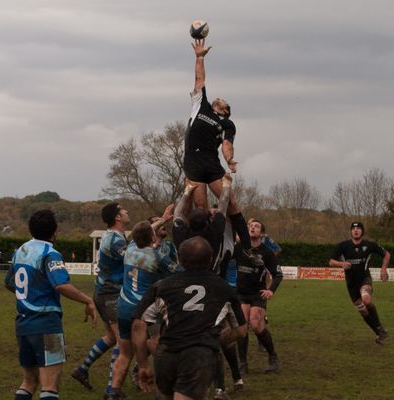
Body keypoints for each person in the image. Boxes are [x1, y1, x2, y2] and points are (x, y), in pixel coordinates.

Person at [132, 236, 248, 400]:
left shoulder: (162, 286)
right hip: (198, 355)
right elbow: (242, 331)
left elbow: (138, 324)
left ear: (179, 259)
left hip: (166, 354)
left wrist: (143, 364)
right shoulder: (224, 289)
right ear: (210, 259)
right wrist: (218, 338)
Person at [4, 209, 97, 400]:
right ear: (55, 231)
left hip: (23, 324)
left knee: (28, 382)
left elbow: (9, 282)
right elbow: (61, 285)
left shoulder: (21, 251)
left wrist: (28, 296)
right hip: (47, 324)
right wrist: (88, 300)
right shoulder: (50, 253)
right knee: (50, 386)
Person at [183, 38, 256, 259]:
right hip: (193, 163)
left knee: (232, 204)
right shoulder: (201, 105)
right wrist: (199, 57)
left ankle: (248, 250)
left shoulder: (226, 123)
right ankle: (205, 254)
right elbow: (199, 78)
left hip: (211, 164)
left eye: (223, 101)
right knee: (201, 210)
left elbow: (226, 145)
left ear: (226, 110)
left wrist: (229, 161)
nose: (219, 98)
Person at [108, 217, 174, 400]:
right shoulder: (157, 256)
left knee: (125, 352)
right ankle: (163, 389)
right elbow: (177, 271)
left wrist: (162, 220)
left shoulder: (129, 249)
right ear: (152, 237)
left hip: (123, 306)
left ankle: (113, 392)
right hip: (144, 310)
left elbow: (140, 234)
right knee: (157, 346)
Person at [71, 202, 130, 394]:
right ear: (117, 218)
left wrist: (160, 221)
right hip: (110, 295)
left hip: (104, 293)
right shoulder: (116, 241)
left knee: (112, 337)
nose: (127, 211)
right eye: (123, 210)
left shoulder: (115, 236)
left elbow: (138, 238)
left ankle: (82, 369)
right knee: (124, 344)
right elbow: (135, 256)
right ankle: (112, 389)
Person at [329, 221, 390, 344]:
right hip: (351, 284)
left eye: (358, 228)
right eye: (353, 228)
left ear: (362, 231)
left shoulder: (369, 245)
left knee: (366, 300)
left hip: (364, 279)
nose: (355, 230)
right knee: (363, 311)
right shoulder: (343, 246)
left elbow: (387, 254)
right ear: (351, 231)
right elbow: (330, 261)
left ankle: (379, 328)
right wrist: (342, 264)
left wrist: (383, 269)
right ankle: (379, 332)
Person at [235, 219, 283, 375]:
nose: (252, 227)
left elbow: (278, 274)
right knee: (242, 330)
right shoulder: (240, 248)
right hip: (241, 293)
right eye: (250, 226)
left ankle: (272, 356)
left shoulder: (267, 253)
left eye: (256, 226)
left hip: (257, 294)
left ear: (262, 234)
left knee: (255, 324)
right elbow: (224, 261)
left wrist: (271, 290)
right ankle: (242, 363)